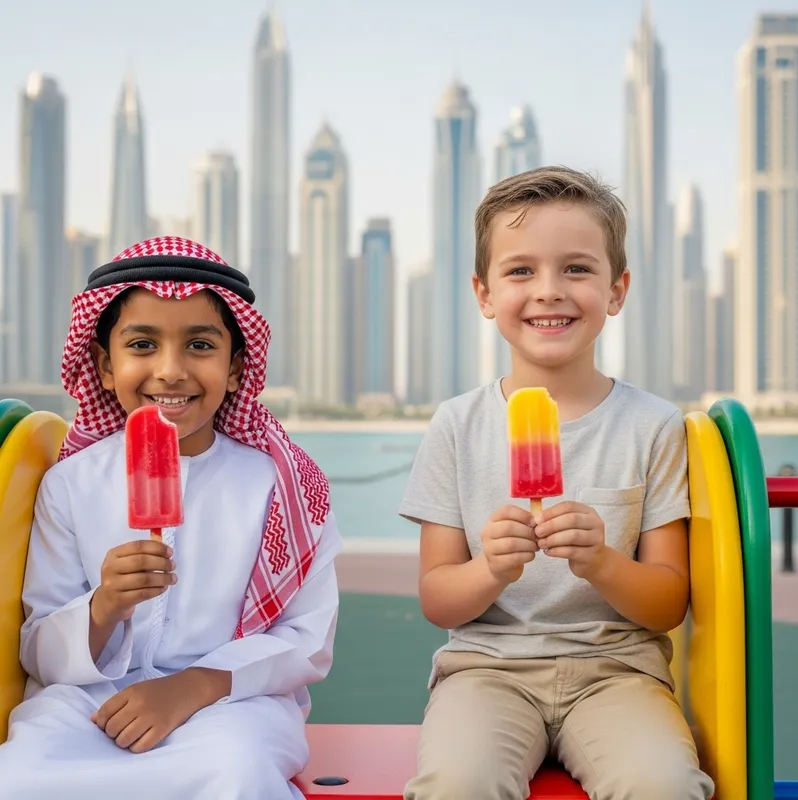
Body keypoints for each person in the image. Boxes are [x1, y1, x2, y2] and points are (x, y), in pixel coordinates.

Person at [399, 168, 714, 800]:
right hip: (484, 672)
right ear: (484, 294)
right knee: (457, 785)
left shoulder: (654, 428)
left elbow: (666, 603)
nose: (549, 291)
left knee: (664, 786)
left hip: (619, 672)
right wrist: (490, 568)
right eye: (520, 272)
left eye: (576, 269)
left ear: (616, 290)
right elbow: (438, 600)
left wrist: (598, 560)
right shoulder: (457, 426)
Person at [0, 237, 341, 799]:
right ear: (106, 367)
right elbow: (38, 643)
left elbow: (306, 641)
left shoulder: (286, 488)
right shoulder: (70, 484)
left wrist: (192, 687)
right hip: (89, 702)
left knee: (237, 772)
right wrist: (102, 606)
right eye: (142, 344)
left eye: (200, 345)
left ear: (236, 368)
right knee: (20, 777)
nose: (170, 370)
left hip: (232, 704)